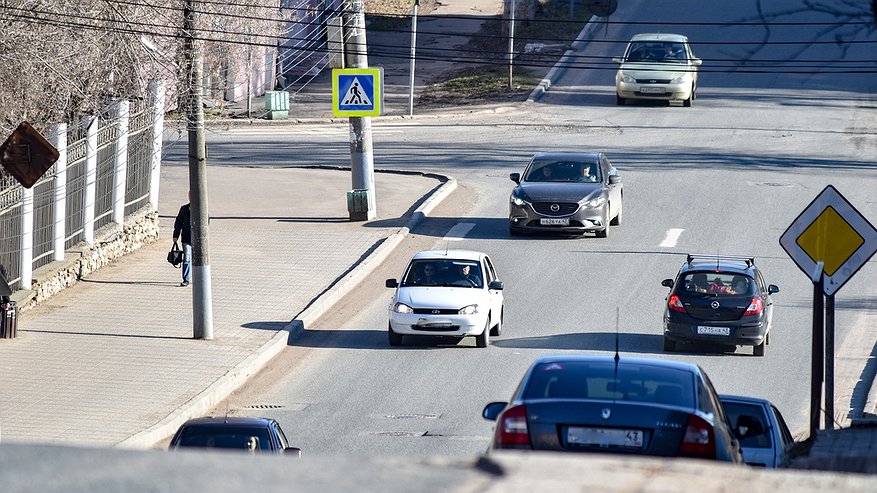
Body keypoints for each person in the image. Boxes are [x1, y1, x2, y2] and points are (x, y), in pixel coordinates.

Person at [172, 192, 192, 287]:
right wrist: (175, 236)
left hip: (198, 240)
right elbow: (178, 223)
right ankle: (186, 279)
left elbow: (206, 221)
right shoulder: (184, 209)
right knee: (187, 258)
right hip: (186, 239)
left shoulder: (201, 208)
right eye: (190, 195)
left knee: (199, 261)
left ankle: (198, 278)